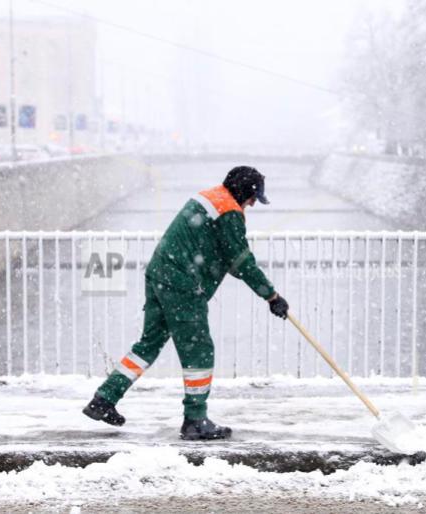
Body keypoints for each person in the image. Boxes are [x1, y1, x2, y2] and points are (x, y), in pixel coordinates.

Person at [83, 165, 289, 440]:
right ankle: (195, 419)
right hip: (182, 285)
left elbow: (219, 251)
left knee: (149, 344)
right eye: (254, 198)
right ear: (245, 192)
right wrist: (272, 297)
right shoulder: (229, 212)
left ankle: (104, 399)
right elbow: (241, 261)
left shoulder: (211, 197)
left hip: (160, 274)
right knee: (199, 351)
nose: (253, 203)